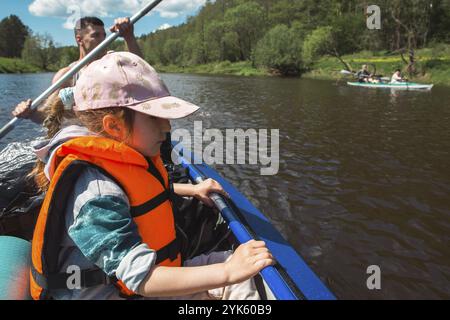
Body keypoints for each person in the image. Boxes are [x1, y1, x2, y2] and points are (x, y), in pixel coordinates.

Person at [29, 51, 274, 300]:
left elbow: (141, 193)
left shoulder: (126, 156)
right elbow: (140, 277)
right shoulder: (96, 194)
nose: (167, 127)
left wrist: (191, 189)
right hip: (123, 292)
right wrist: (226, 272)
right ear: (114, 126)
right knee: (235, 271)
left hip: (138, 285)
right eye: (154, 118)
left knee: (249, 272)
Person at [12, 16, 142, 123]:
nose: (103, 39)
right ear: (79, 39)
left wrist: (129, 36)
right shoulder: (67, 75)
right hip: (83, 138)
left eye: (104, 35)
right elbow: (47, 115)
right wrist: (30, 113)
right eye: (96, 35)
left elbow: (141, 71)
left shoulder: (114, 61)